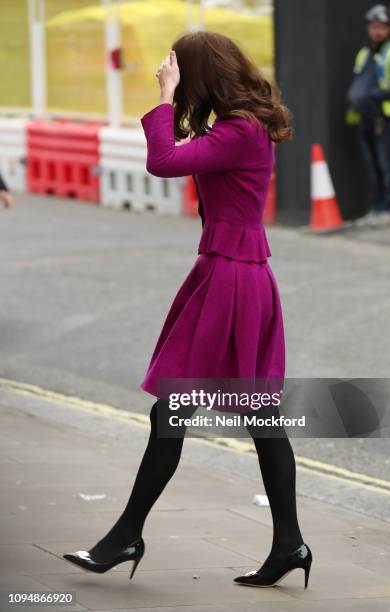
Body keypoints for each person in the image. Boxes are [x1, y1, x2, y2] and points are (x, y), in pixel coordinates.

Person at [63, 31, 312, 590]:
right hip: (228, 273)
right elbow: (187, 158)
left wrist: (165, 96)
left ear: (201, 75)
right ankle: (288, 543)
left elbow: (162, 162)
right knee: (254, 421)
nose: (170, 77)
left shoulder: (241, 130)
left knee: (184, 411)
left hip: (231, 278)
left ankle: (128, 534)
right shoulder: (238, 125)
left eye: (180, 71)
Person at [346, 3, 390, 226]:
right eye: (374, 26)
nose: (378, 30)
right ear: (368, 28)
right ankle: (374, 208)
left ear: (389, 28)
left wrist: (374, 96)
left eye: (382, 26)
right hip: (365, 116)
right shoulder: (364, 54)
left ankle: (385, 208)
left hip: (385, 118)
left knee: (385, 163)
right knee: (372, 165)